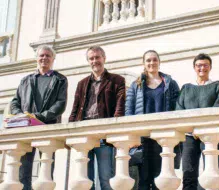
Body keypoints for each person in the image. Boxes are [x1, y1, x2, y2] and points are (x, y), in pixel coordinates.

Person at [10, 45, 68, 190]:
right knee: (24, 169)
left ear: (53, 59)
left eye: (48, 55)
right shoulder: (26, 80)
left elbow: (60, 104)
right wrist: (20, 115)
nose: (44, 58)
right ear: (37, 58)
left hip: (47, 127)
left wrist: (39, 117)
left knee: (46, 168)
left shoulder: (60, 79)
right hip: (26, 128)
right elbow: (15, 102)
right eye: (42, 55)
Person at [69, 46, 125, 190]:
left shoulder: (117, 81)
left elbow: (119, 109)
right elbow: (75, 110)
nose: (95, 61)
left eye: (97, 57)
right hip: (84, 134)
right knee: (85, 180)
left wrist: (113, 131)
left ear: (104, 59)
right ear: (88, 61)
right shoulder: (82, 84)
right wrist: (70, 134)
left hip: (104, 135)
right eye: (91, 58)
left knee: (106, 178)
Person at [125, 50, 180, 190]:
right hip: (143, 138)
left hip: (163, 137)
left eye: (154, 60)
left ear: (159, 62)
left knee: (161, 177)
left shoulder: (170, 83)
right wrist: (131, 136)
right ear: (143, 63)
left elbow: (177, 109)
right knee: (143, 178)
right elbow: (129, 112)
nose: (152, 63)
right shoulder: (135, 85)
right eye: (148, 60)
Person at [176, 53, 219, 190]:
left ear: (210, 67)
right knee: (188, 172)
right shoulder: (186, 88)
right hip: (189, 136)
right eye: (199, 65)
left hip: (210, 135)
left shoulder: (217, 86)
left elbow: (218, 109)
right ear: (194, 67)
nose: (202, 68)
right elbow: (179, 110)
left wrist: (201, 129)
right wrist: (192, 129)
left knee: (212, 171)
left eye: (205, 65)